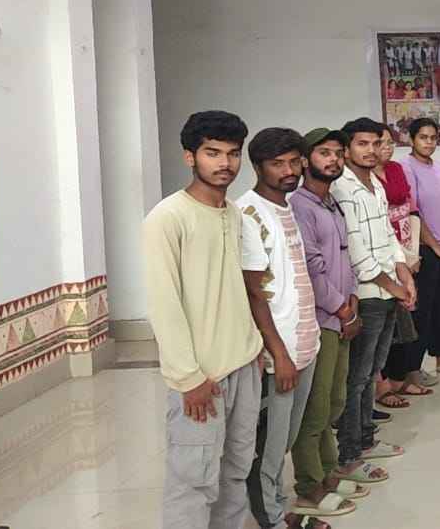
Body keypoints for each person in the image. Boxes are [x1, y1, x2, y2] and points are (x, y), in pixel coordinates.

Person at [144, 111, 264, 529]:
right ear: (189, 157)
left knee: (236, 471)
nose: (225, 163)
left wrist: (254, 349)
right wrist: (187, 377)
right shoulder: (168, 217)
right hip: (201, 376)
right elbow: (163, 304)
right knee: (192, 482)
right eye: (212, 152)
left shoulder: (233, 213)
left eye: (232, 153)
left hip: (243, 364)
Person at [237, 128, 324, 529]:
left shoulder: (286, 208)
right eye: (277, 164)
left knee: (285, 439)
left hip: (304, 341)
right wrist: (279, 355)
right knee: (269, 444)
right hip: (280, 352)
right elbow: (254, 293)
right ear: (258, 167)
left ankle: (275, 505)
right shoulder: (249, 213)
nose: (289, 171)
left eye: (294, 162)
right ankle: (272, 518)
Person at [288, 129, 366, 521]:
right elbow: (312, 268)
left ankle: (329, 472)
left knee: (334, 400)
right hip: (321, 319)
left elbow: (344, 258)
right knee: (315, 408)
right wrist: (341, 309)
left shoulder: (331, 202)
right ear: (306, 160)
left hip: (341, 314)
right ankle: (308, 486)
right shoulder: (300, 206)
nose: (333, 159)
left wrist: (352, 301)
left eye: (337, 153)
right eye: (324, 153)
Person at [333, 118, 415, 482]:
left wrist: (403, 271)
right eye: (362, 144)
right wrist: (391, 285)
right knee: (357, 377)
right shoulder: (342, 187)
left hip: (387, 290)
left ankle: (365, 441)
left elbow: (386, 235)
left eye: (375, 143)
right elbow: (356, 249)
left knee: (371, 372)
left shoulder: (375, 184)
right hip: (366, 294)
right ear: (348, 148)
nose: (370, 150)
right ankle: (348, 455)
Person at [398, 118, 440, 377]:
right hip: (424, 249)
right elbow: (413, 212)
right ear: (412, 139)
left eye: (433, 138)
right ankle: (413, 367)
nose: (429, 142)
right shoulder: (405, 167)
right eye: (423, 137)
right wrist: (436, 247)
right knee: (422, 309)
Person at [376, 134, 435, 408]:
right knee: (386, 323)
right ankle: (382, 384)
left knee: (409, 318)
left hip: (406, 251)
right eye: (380, 143)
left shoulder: (396, 169)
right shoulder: (361, 179)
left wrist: (411, 254)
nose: (385, 148)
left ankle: (401, 376)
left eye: (389, 142)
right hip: (382, 257)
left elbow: (410, 210)